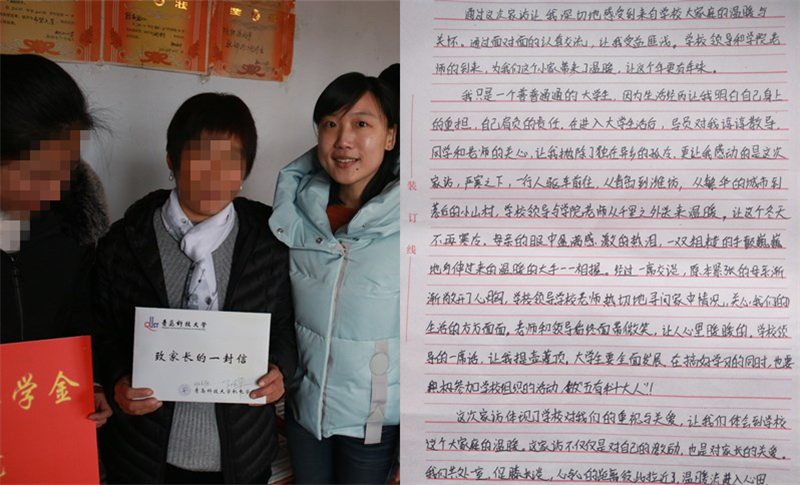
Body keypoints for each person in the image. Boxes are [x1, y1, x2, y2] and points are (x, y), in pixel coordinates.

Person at [93, 92, 297, 484]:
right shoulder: (125, 242)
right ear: (172, 160)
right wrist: (117, 379)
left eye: (231, 160)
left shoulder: (268, 242)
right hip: (144, 456)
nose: (215, 173)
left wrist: (280, 370)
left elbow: (285, 325)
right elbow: (103, 330)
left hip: (240, 455)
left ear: (245, 168)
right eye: (201, 156)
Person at [269, 71, 399, 484]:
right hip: (305, 415)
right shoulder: (294, 219)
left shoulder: (416, 228)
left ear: (390, 137)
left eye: (361, 124)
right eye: (330, 124)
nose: (344, 140)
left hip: (375, 423)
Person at [0, 53, 113, 427]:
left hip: (40, 431)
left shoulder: (71, 226)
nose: (55, 192)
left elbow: (80, 319)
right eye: (39, 176)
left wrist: (91, 382)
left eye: (68, 170)